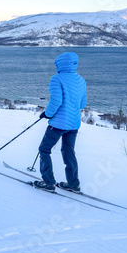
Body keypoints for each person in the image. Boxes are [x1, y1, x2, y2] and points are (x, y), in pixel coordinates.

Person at [33, 52, 87, 193]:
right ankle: (73, 184)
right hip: (74, 124)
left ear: (60, 64)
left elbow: (56, 101)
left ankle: (48, 182)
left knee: (44, 149)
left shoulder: (57, 79)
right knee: (69, 151)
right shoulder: (81, 80)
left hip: (58, 124)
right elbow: (82, 103)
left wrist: (47, 114)